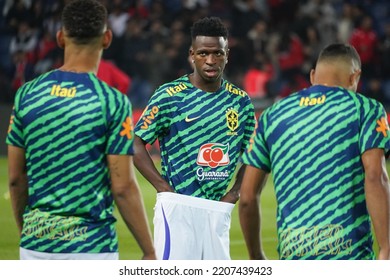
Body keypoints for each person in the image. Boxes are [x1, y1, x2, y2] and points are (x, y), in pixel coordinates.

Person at [6, 0, 156, 260]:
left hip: (35, 245)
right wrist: (149, 251)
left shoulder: (26, 95)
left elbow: (16, 179)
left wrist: (29, 233)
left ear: (60, 38)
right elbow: (123, 187)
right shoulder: (112, 101)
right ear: (107, 38)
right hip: (91, 248)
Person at [239, 43, 390, 260]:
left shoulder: (272, 116)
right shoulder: (365, 108)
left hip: (294, 255)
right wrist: (386, 248)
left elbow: (247, 197)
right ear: (354, 77)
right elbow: (376, 177)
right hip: (348, 256)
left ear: (312, 76)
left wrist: (256, 257)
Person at [133, 16, 256, 260]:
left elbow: (255, 154)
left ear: (227, 54)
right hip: (177, 207)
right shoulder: (169, 95)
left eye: (217, 53)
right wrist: (163, 188)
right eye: (203, 53)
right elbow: (135, 143)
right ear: (192, 54)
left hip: (219, 208)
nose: (210, 60)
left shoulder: (240, 101)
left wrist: (235, 193)